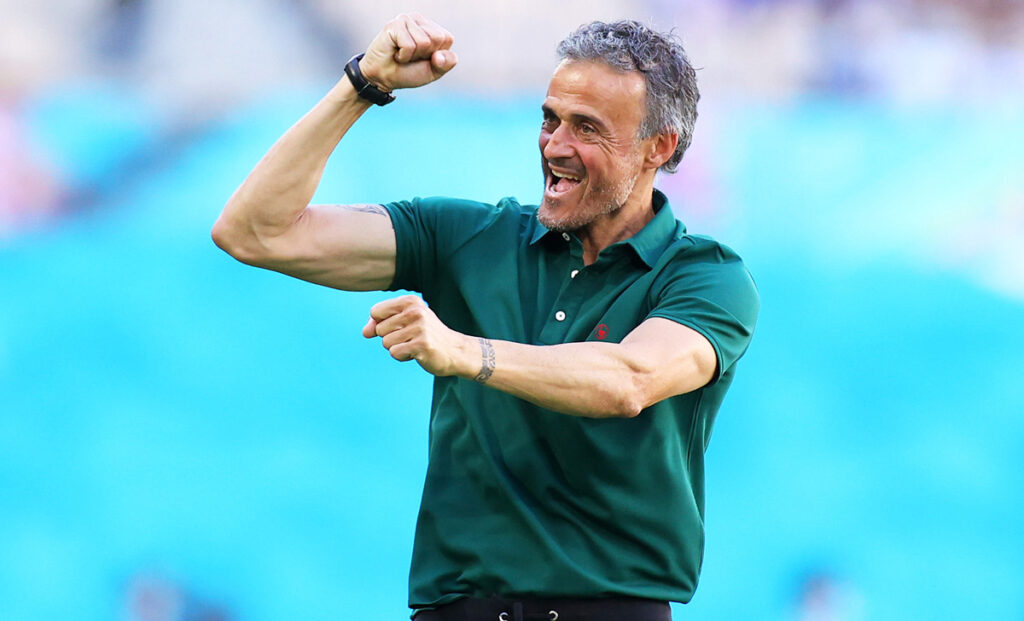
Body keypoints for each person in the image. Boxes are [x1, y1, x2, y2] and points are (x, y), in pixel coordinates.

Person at [212, 13, 759, 621]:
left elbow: (630, 380)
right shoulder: (470, 237)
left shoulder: (706, 276)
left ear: (660, 146)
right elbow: (254, 232)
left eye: (587, 128)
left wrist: (463, 350)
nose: (555, 146)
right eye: (550, 119)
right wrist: (363, 84)